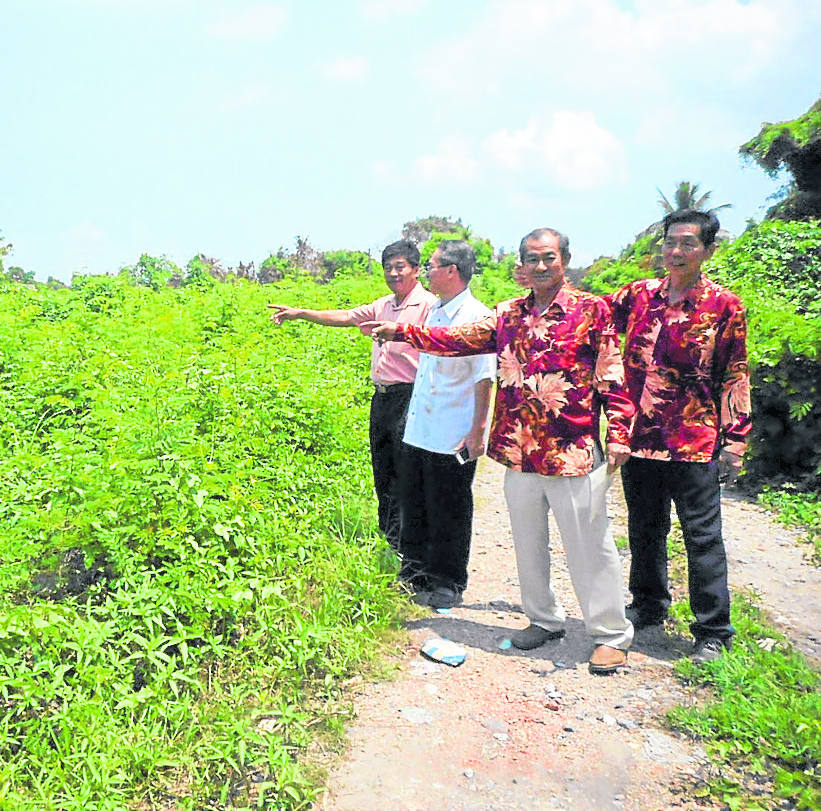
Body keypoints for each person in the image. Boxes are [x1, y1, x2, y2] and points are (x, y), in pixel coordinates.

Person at [364, 228, 636, 675]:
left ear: (564, 259)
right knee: (528, 543)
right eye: (531, 258)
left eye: (548, 257)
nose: (540, 266)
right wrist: (404, 331)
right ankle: (544, 620)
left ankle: (609, 633)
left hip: (573, 449)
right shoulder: (507, 313)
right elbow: (460, 339)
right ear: (522, 265)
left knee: (589, 545)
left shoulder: (592, 310)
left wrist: (620, 431)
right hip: (520, 449)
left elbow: (611, 373)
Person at [607, 208, 752, 663]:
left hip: (695, 440)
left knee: (702, 537)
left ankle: (713, 632)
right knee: (644, 528)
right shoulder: (639, 296)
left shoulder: (724, 306)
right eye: (670, 241)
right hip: (640, 436)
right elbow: (589, 317)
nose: (676, 251)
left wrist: (736, 440)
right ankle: (648, 605)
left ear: (708, 250)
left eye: (688, 243)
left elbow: (735, 374)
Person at [268, 241, 437, 552]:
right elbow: (346, 317)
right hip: (382, 397)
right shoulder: (383, 304)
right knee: (382, 466)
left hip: (411, 396)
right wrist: (301, 313)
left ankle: (410, 544)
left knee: (407, 470)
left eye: (400, 267)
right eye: (388, 268)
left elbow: (438, 345)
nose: (393, 273)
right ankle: (390, 539)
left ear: (415, 269)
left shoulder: (429, 305)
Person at [395, 240, 495, 609]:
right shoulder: (435, 311)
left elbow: (485, 380)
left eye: (432, 266)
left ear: (452, 270)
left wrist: (476, 432)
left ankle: (449, 581)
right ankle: (414, 572)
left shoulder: (478, 318)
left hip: (452, 429)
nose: (426, 272)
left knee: (450, 507)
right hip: (421, 425)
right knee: (415, 502)